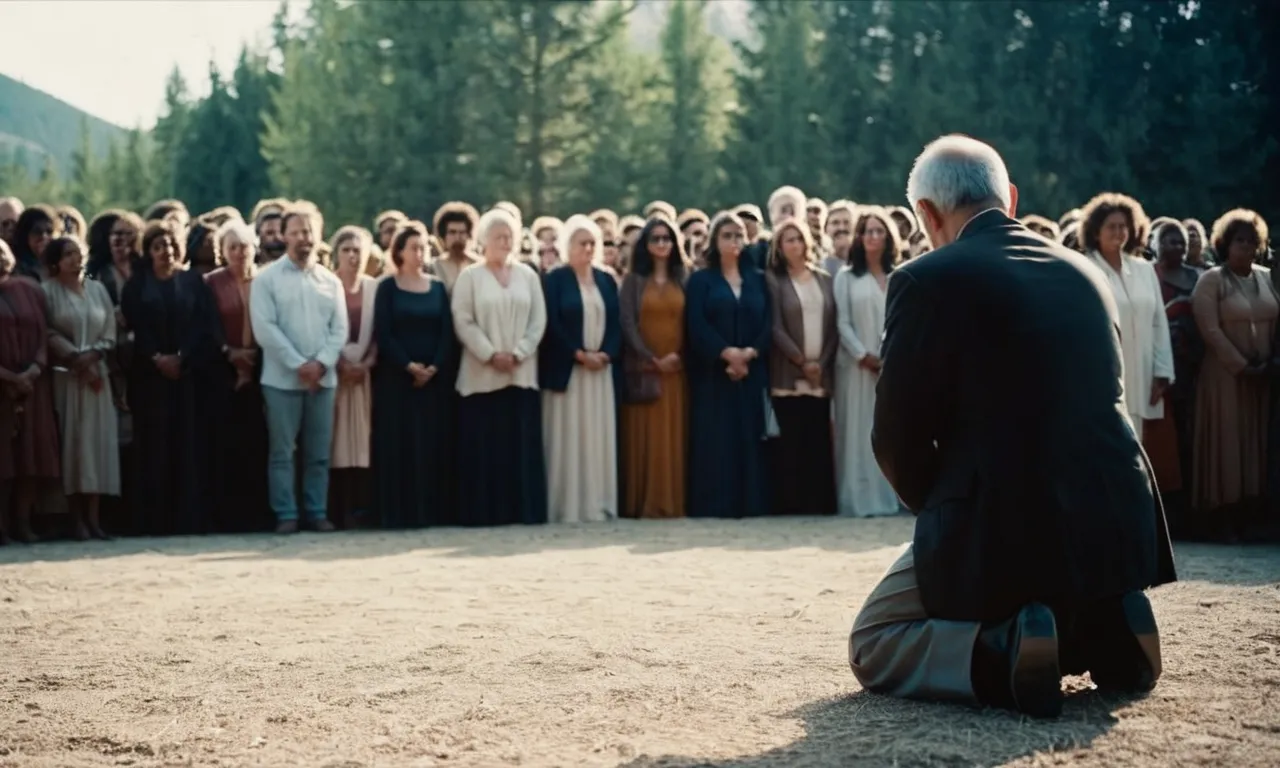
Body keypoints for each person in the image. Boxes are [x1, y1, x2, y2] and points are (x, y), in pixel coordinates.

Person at [848, 135, 1177, 719]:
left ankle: (997, 652)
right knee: (1046, 587)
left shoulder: (925, 279)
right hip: (1120, 520)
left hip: (1003, 519)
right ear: (1012, 198)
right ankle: (1105, 629)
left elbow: (895, 436)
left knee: (873, 640)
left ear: (925, 213)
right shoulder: (1087, 273)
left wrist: (935, 512)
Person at [250, 207, 348, 534]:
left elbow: (340, 329)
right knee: (282, 452)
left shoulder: (330, 281)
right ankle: (286, 513)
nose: (303, 238)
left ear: (318, 235)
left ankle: (316, 511)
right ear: (284, 235)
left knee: (318, 452)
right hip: (281, 380)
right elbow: (265, 328)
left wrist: (320, 364)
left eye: (308, 231)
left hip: (323, 379)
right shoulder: (266, 279)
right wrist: (298, 364)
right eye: (296, 231)